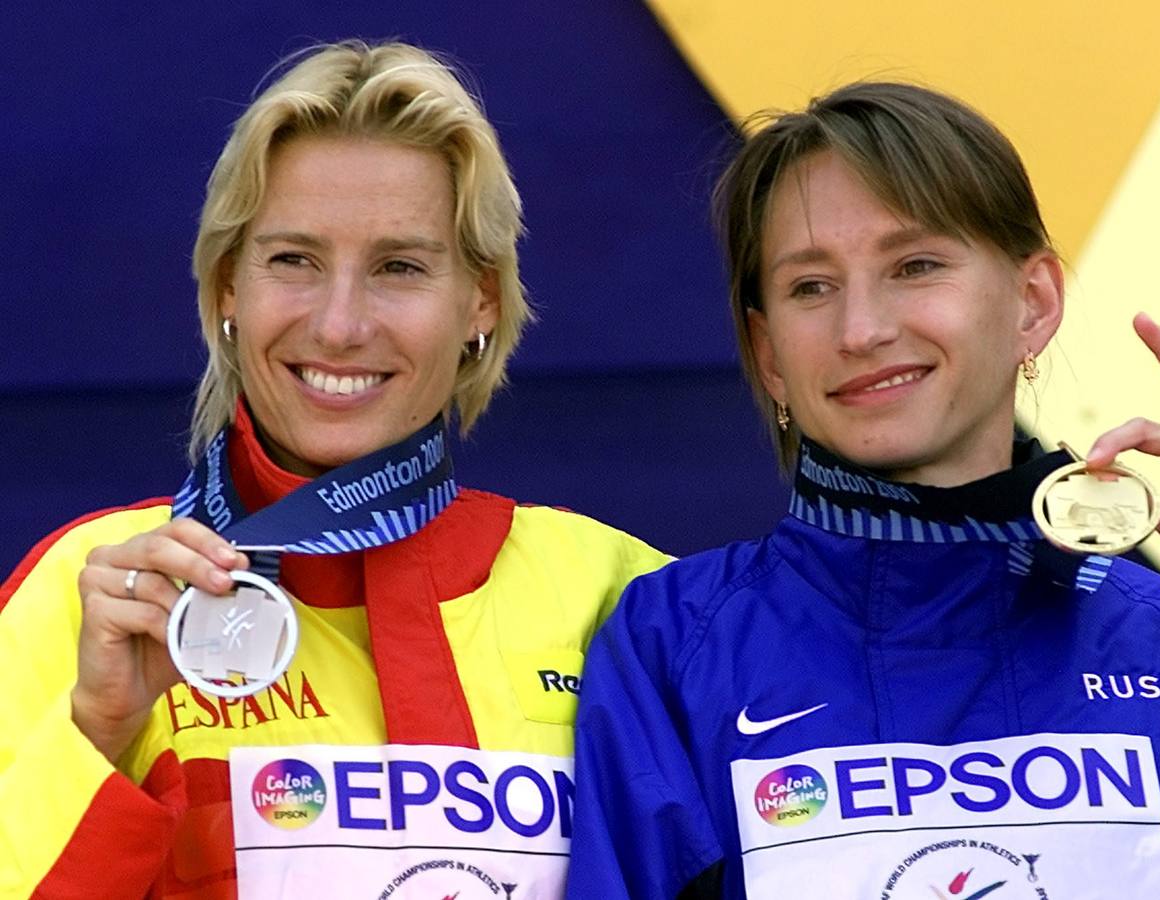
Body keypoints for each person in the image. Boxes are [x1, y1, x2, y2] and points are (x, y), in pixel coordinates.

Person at [568, 82, 1160, 898]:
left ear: (1031, 303)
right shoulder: (675, 645)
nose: (860, 329)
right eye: (810, 287)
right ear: (767, 351)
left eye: (915, 266)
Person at [0, 41, 669, 898]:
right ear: (226, 288)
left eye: (399, 267)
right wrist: (96, 729)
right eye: (293, 260)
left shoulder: (618, 595)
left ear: (481, 302)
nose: (341, 325)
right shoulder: (99, 593)